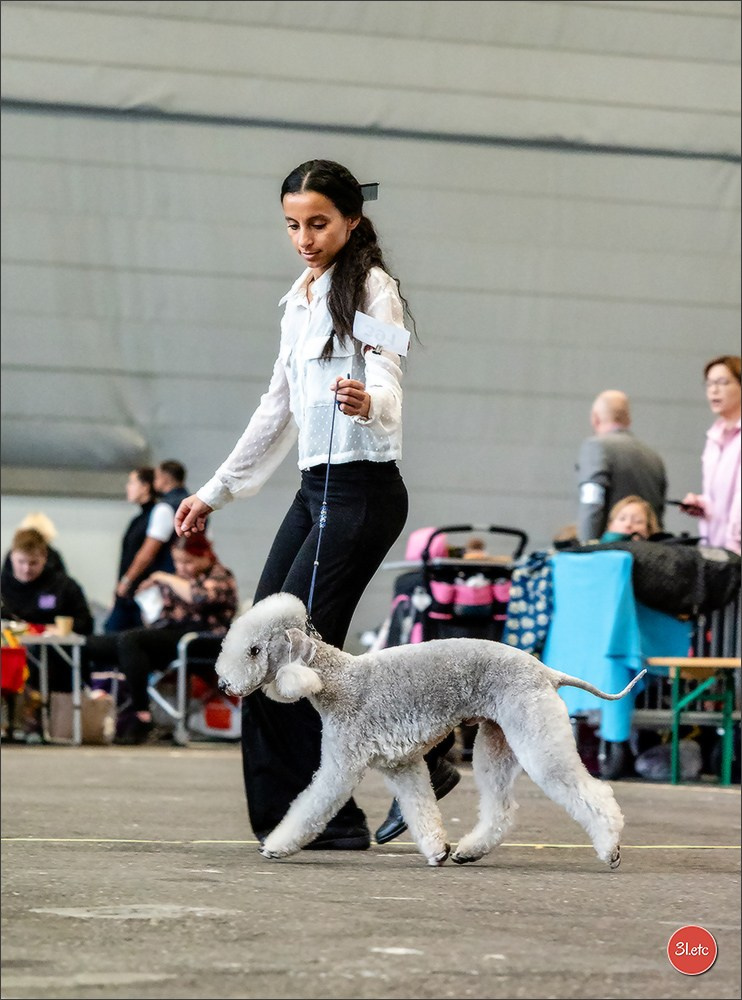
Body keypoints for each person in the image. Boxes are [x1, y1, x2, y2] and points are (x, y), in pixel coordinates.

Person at [174, 158, 439, 851]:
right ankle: (330, 805)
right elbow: (277, 406)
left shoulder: (372, 290)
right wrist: (214, 492)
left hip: (361, 493)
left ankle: (357, 802)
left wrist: (368, 402)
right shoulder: (298, 300)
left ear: (351, 220)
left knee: (291, 661)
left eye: (318, 223)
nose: (304, 237)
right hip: (313, 491)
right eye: (293, 224)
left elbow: (389, 377)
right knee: (259, 653)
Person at [85, 534, 238, 745]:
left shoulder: (221, 577)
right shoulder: (177, 580)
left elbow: (199, 597)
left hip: (204, 640)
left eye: (188, 562)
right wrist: (148, 601)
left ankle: (141, 714)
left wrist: (163, 578)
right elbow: (161, 620)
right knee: (94, 644)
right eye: (178, 562)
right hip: (171, 637)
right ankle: (86, 705)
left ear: (205, 556)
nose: (182, 567)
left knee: (132, 641)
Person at [0, 528, 94, 694]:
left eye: (33, 563)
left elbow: (85, 623)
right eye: (21, 562)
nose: (26, 569)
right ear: (12, 555)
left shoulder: (64, 587)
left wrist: (53, 629)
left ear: (44, 558)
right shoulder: (2, 586)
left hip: (53, 662)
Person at [576, 389, 667, 543]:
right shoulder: (653, 457)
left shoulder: (596, 447)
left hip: (610, 552)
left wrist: (586, 546)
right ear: (628, 420)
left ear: (595, 419)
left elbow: (592, 501)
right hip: (647, 552)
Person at [681, 354, 741, 555]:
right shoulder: (714, 437)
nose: (714, 390)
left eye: (722, 383)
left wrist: (733, 548)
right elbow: (723, 498)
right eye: (709, 384)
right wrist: (701, 503)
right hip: (714, 549)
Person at [112, 459, 190, 609]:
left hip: (157, 584)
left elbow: (148, 551)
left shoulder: (164, 508)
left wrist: (127, 581)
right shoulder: (193, 505)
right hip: (182, 581)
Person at [104, 467, 158, 633]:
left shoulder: (155, 515)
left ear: (145, 487)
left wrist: (126, 581)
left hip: (140, 593)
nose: (128, 487)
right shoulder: (138, 519)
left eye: (132, 482)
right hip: (127, 592)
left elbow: (146, 555)